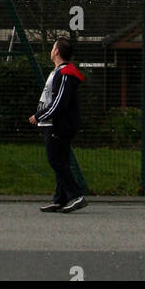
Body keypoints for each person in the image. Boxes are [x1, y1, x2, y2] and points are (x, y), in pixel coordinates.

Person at [29, 36, 87, 213]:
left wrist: (39, 116)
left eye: (53, 47)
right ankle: (60, 198)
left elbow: (59, 103)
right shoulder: (59, 72)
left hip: (58, 125)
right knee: (60, 160)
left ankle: (76, 195)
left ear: (56, 51)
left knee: (55, 159)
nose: (51, 50)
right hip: (53, 123)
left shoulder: (65, 74)